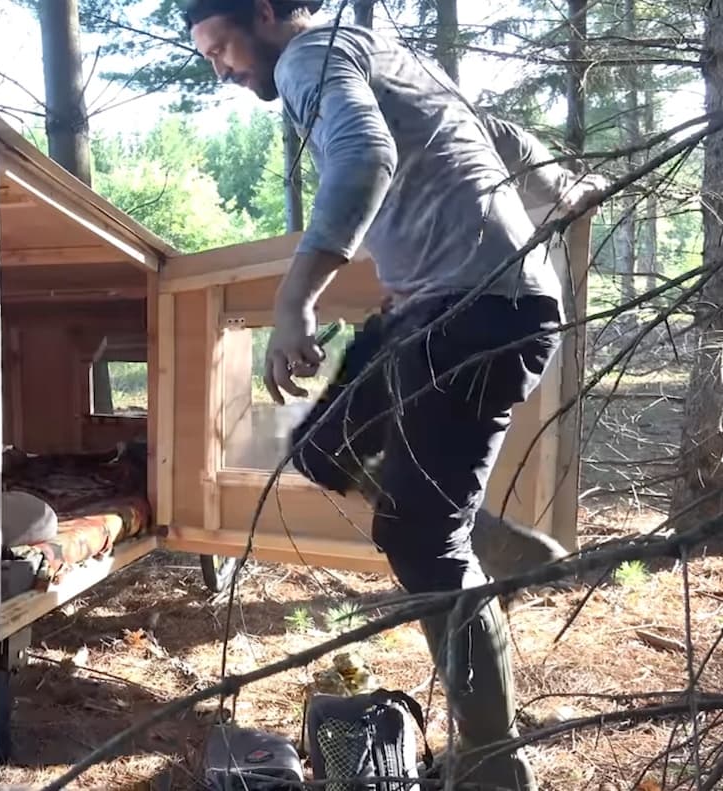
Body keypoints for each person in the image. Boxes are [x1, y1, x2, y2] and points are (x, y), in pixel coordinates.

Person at [181, 1, 606, 788]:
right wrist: (565, 187)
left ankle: (492, 762)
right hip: (437, 310)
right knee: (321, 446)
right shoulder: (384, 53)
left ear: (267, 13)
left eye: (224, 47)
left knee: (418, 541)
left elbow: (364, 156)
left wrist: (293, 299)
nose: (224, 70)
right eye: (208, 58)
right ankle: (490, 538)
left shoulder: (309, 57)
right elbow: (496, 134)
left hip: (477, 313)